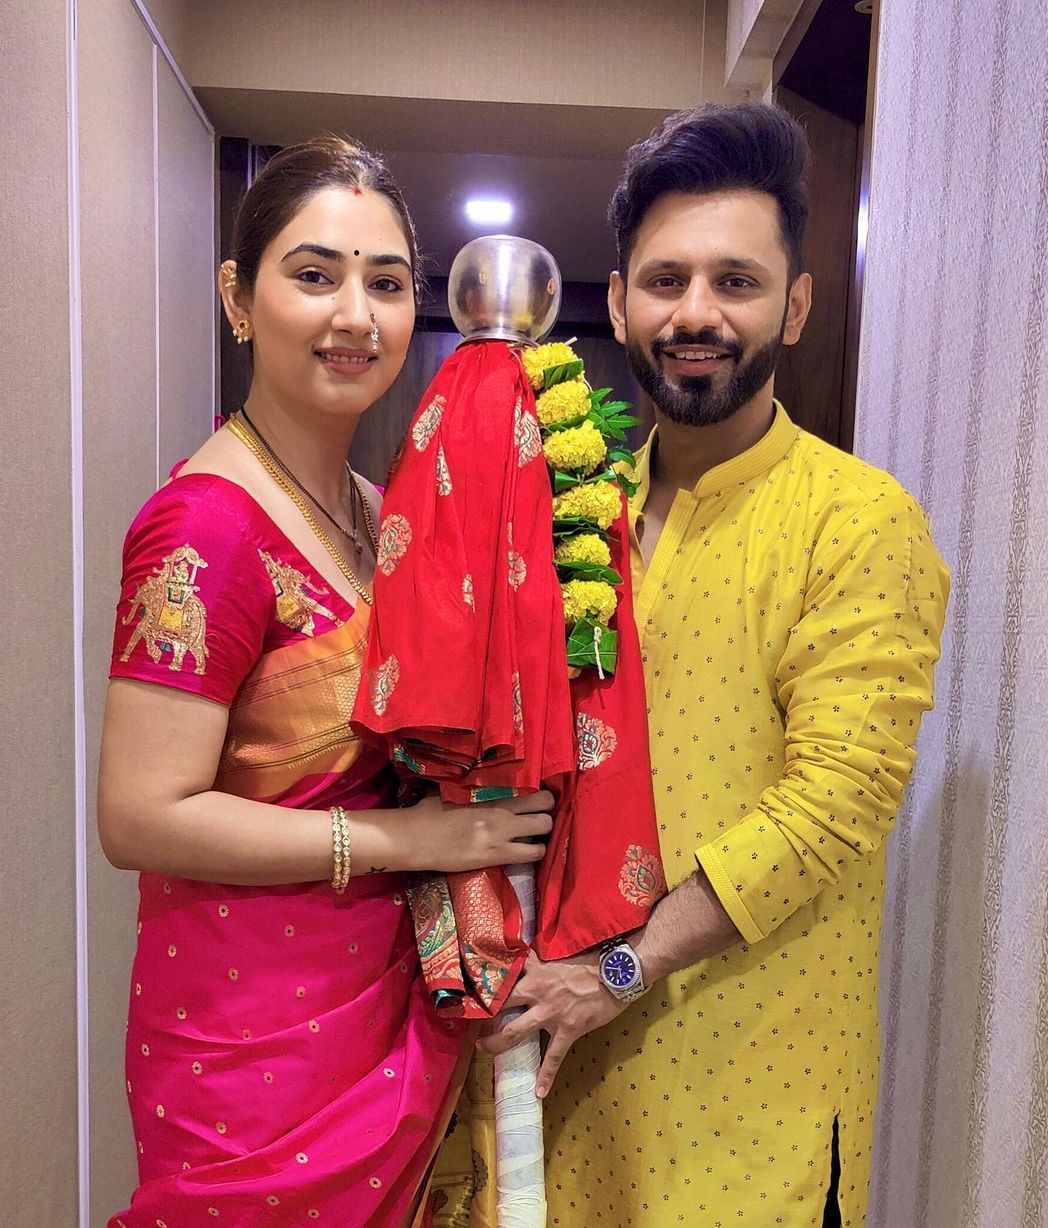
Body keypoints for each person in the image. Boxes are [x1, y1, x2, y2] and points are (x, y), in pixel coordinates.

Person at [480, 102, 950, 1227]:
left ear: (795, 304)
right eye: (667, 280)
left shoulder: (858, 520)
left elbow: (834, 806)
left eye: (736, 281)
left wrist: (619, 970)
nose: (697, 312)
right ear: (620, 301)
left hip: (753, 1101)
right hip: (568, 1081)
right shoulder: (574, 510)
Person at [98, 135, 554, 1228]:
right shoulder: (204, 527)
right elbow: (140, 814)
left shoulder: (376, 510)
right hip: (251, 1039)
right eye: (315, 275)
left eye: (386, 284)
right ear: (238, 298)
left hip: (380, 1007)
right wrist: (413, 841)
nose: (356, 315)